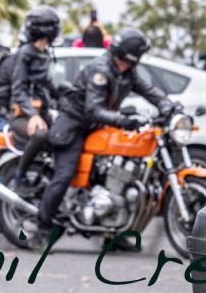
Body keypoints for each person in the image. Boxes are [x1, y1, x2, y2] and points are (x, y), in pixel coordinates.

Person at [31, 28, 178, 249]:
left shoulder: (127, 71)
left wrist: (167, 105)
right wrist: (123, 120)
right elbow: (94, 110)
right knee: (65, 175)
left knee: (113, 175)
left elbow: (149, 90)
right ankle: (42, 230)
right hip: (75, 126)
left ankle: (113, 235)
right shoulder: (100, 70)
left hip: (98, 127)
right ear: (130, 55)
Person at [6, 7, 63, 191]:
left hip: (43, 112)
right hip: (22, 115)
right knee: (41, 134)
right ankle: (19, 176)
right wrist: (33, 115)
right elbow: (18, 89)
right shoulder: (26, 53)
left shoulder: (45, 53)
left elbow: (48, 85)